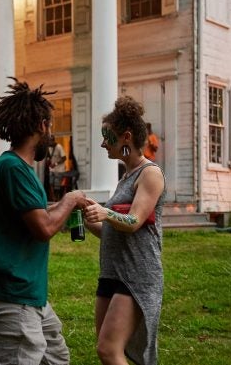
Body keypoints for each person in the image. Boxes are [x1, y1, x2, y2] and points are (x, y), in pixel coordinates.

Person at [0, 79, 87, 365]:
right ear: (42, 125)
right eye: (49, 125)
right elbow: (44, 228)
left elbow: (33, 215)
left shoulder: (14, 167)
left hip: (30, 294)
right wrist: (70, 200)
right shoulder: (14, 168)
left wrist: (63, 207)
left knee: (56, 359)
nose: (50, 133)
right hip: (14, 294)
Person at [84, 97, 165, 365]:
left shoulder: (150, 174)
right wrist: (86, 217)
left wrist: (105, 212)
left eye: (108, 137)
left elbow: (134, 221)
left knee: (109, 350)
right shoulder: (126, 176)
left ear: (126, 137)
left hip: (136, 276)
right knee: (105, 350)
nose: (103, 143)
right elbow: (112, 231)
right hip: (111, 273)